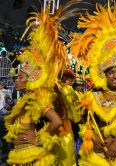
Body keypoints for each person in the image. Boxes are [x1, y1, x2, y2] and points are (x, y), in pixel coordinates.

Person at [69, 2, 116, 165]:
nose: (115, 76)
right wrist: (92, 137)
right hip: (97, 157)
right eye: (111, 72)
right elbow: (85, 125)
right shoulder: (92, 97)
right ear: (104, 74)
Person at [2, 6, 70, 165]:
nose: (15, 80)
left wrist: (40, 138)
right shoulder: (23, 100)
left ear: (29, 80)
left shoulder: (37, 99)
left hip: (32, 157)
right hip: (19, 155)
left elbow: (57, 121)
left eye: (20, 77)